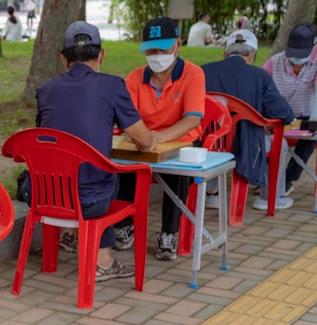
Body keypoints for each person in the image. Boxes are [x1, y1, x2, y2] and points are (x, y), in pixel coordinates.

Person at [36, 21, 155, 281]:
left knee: (87, 174)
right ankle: (102, 261)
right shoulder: (112, 86)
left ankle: (71, 235)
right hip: (89, 201)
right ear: (101, 55)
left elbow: (44, 138)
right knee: (106, 177)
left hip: (45, 196)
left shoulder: (45, 90)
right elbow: (145, 142)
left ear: (62, 58)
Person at [120, 17, 205, 261]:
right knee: (120, 167)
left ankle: (169, 233)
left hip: (182, 141)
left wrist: (162, 136)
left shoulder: (193, 75)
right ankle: (125, 226)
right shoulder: (135, 78)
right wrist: (142, 137)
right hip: (143, 142)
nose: (157, 55)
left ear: (178, 44)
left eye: (163, 49)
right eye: (151, 50)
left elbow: (192, 119)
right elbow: (128, 117)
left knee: (177, 172)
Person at [203, 29, 295, 211]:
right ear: (252, 55)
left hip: (208, 144)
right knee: (281, 143)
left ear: (225, 53)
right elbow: (285, 114)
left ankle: (211, 194)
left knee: (213, 136)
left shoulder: (202, 71)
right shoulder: (260, 76)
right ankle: (268, 198)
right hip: (248, 146)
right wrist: (267, 124)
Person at [263, 24, 317, 194]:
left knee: (310, 138)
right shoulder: (275, 62)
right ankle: (266, 180)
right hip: (279, 118)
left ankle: (287, 179)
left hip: (307, 118)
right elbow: (259, 87)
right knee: (260, 134)